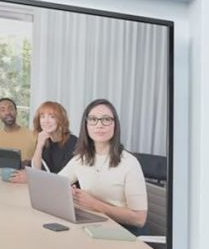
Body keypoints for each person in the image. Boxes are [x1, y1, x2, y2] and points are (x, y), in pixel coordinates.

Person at [58, 98, 148, 230]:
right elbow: (57, 184)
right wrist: (68, 193)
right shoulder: (80, 158)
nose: (99, 125)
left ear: (115, 125)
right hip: (94, 223)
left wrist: (94, 204)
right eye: (93, 119)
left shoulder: (129, 163)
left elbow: (139, 219)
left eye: (106, 119)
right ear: (86, 125)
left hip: (123, 230)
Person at [9, 101, 78, 183]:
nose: (46, 121)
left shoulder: (73, 143)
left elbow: (63, 178)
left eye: (52, 117)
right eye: (42, 117)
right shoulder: (44, 140)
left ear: (61, 120)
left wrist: (32, 179)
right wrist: (39, 146)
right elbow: (35, 170)